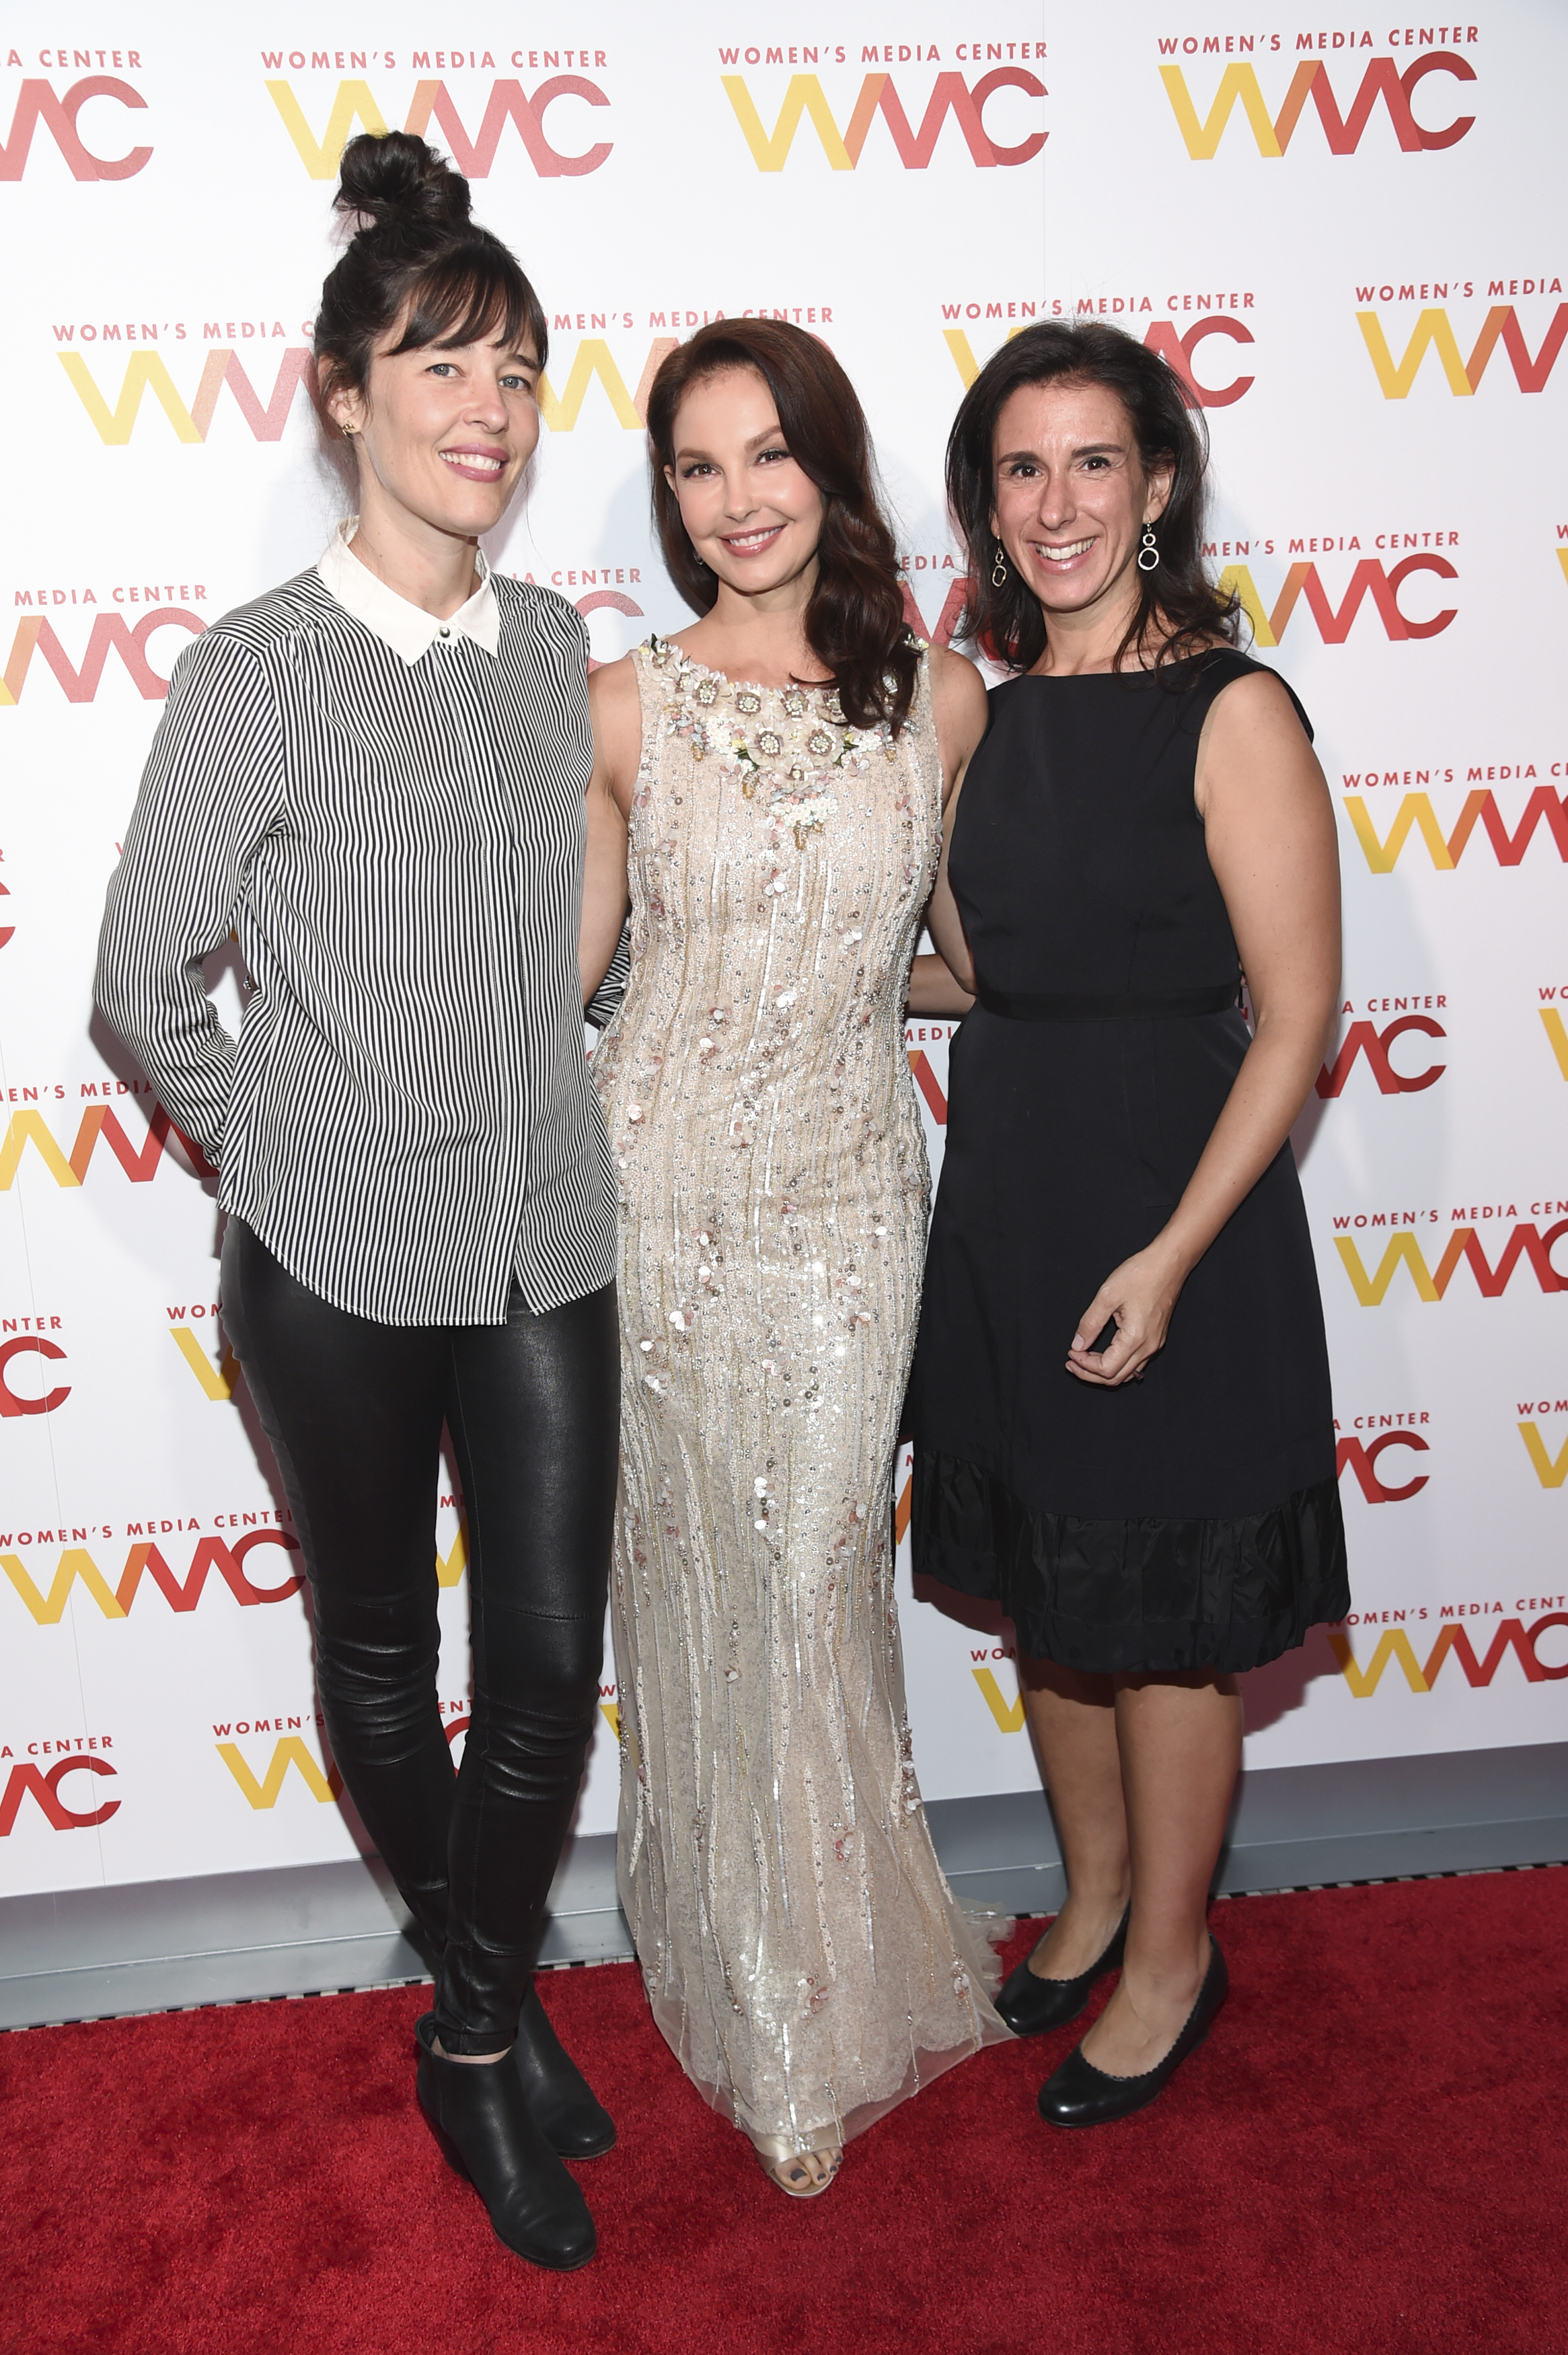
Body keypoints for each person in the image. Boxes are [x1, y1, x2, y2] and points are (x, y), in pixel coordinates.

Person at [95, 132, 620, 2270]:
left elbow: (560, 933)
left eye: (516, 370)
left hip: (549, 1227)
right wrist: (283, 1150)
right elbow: (143, 979)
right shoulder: (260, 668)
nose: (488, 409)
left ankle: (471, 2019)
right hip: (331, 1262)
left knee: (552, 1663)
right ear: (342, 394)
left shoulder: (551, 644)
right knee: (384, 1658)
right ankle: (490, 2022)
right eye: (441, 365)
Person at [579, 319, 1010, 2198]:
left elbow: (964, 962)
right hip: (657, 1198)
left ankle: (824, 1965)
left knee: (817, 1569)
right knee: (694, 1583)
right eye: (697, 466)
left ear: (830, 470)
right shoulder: (620, 705)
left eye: (769, 455)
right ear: (669, 498)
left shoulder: (941, 699)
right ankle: (756, 2002)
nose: (736, 499)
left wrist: (845, 983)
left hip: (848, 1205)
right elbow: (575, 974)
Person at [907, 320, 1349, 2126]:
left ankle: (1173, 1958)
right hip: (1012, 1192)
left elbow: (1297, 1015)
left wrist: (1169, 1258)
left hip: (1179, 1206)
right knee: (1056, 1583)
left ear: (1157, 483)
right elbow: (976, 973)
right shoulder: (986, 717)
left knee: (1163, 1614)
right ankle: (1092, 1901)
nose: (1057, 502)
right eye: (1021, 468)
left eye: (1094, 461)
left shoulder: (1230, 708)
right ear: (986, 504)